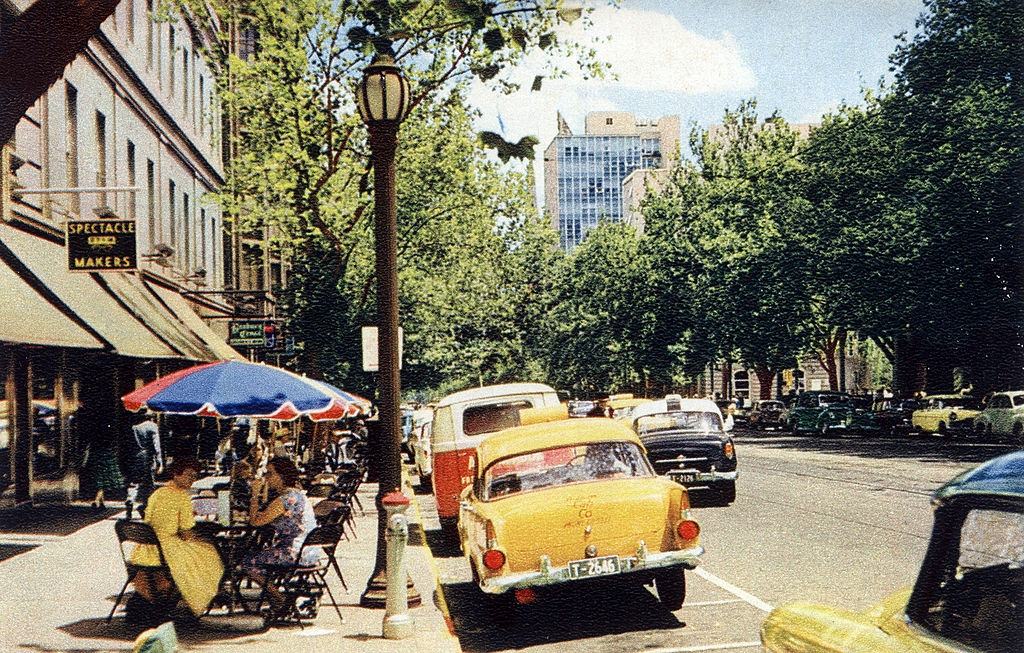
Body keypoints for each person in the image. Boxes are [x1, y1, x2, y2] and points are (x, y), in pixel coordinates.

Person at [129, 456, 224, 619]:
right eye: (188, 475)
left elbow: (149, 520)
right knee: (210, 556)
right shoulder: (182, 497)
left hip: (146, 547)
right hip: (167, 548)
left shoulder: (158, 493)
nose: (192, 480)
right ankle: (196, 599)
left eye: (194, 476)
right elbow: (187, 532)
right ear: (176, 474)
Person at [241, 456, 321, 610]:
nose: (267, 478)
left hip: (294, 553)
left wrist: (255, 494)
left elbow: (255, 521)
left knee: (246, 561)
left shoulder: (285, 499)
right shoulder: (299, 495)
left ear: (282, 476)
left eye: (270, 474)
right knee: (257, 553)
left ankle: (278, 597)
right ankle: (275, 596)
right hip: (309, 552)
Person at [129, 413, 163, 517]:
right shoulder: (153, 427)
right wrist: (159, 462)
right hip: (148, 458)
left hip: (137, 457)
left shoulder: (135, 428)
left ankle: (129, 500)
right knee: (149, 484)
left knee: (135, 482)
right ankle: (146, 506)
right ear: (152, 417)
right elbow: (156, 445)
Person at [85, 438, 124, 510]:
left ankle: (100, 502)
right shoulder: (109, 451)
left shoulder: (94, 449)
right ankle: (97, 501)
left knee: (100, 484)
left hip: (96, 463)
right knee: (102, 485)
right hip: (106, 464)